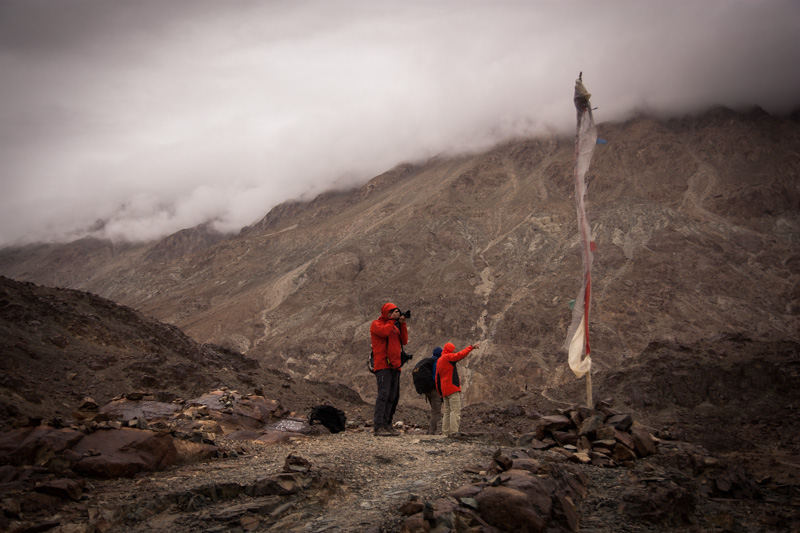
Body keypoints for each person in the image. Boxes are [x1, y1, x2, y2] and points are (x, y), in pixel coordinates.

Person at [370, 303, 408, 437]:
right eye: (392, 312)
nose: (395, 314)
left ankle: (386, 424)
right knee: (383, 395)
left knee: (393, 397)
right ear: (386, 312)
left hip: (395, 366)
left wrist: (402, 324)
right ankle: (378, 426)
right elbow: (384, 332)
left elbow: (404, 340)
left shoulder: (394, 327)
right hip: (383, 366)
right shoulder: (376, 324)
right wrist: (392, 320)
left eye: (397, 312)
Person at [435, 341, 479, 437]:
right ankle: (453, 432)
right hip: (452, 388)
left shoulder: (439, 360)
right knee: (455, 411)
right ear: (450, 350)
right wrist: (471, 347)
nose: (454, 351)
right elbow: (460, 355)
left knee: (447, 412)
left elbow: (437, 378)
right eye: (453, 350)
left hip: (444, 390)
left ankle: (445, 433)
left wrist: (440, 392)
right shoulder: (448, 357)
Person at [425, 347, 444, 435]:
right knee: (436, 411)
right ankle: (431, 432)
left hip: (427, 390)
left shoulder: (429, 362)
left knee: (434, 410)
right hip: (434, 390)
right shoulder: (437, 363)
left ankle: (430, 430)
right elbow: (438, 378)